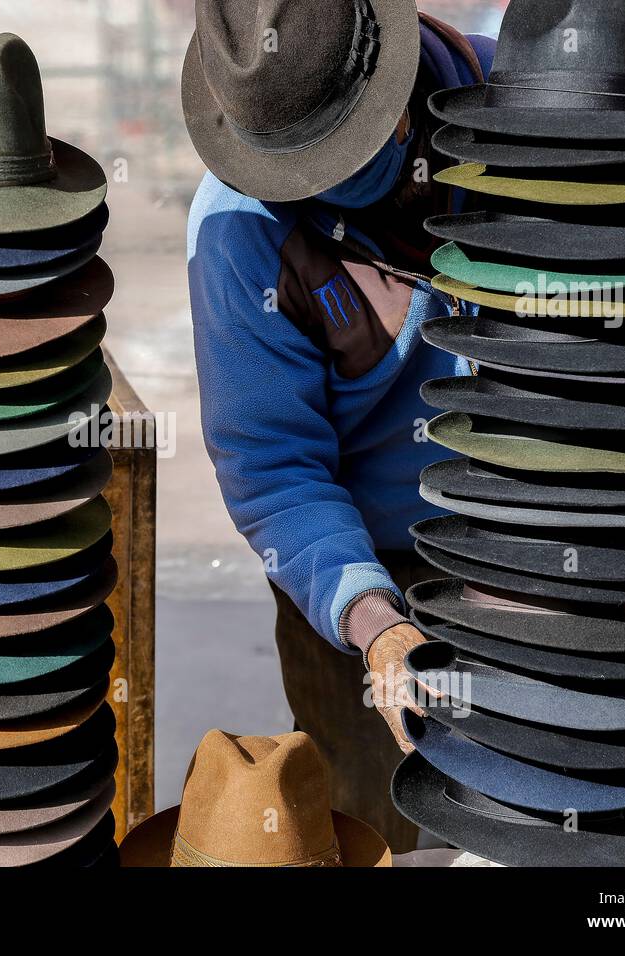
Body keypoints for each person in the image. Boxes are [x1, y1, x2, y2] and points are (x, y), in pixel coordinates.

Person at [181, 0, 497, 852]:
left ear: (396, 96)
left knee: (556, 818)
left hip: (547, 547)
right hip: (359, 563)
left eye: (340, 149)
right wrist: (374, 621)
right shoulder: (238, 230)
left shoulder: (528, 100)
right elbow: (273, 466)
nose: (319, 182)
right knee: (372, 827)